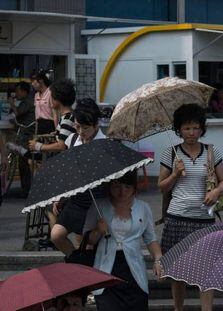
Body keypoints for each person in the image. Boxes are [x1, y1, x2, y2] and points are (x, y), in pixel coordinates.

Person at [158, 103, 223, 311]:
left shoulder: (211, 152)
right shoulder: (170, 153)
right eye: (186, 128)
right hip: (177, 218)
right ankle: (178, 309)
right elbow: (162, 187)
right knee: (177, 272)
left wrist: (215, 192)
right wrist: (175, 174)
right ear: (178, 129)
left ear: (202, 129)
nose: (191, 132)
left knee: (206, 271)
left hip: (204, 219)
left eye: (195, 127)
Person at [87, 171, 162, 311]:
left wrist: (158, 259)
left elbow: (151, 238)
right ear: (109, 186)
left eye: (127, 187)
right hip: (106, 267)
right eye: (117, 186)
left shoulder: (143, 207)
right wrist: (98, 230)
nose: (122, 192)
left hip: (133, 267)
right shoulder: (99, 206)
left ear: (134, 187)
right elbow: (89, 240)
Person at [50, 98, 106, 255]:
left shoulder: (105, 144)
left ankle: (85, 268)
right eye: (77, 126)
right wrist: (60, 197)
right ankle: (76, 262)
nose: (81, 132)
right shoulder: (73, 139)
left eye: (86, 128)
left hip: (96, 199)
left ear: (96, 125)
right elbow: (67, 171)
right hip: (75, 198)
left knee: (87, 243)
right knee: (57, 235)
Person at [28, 79, 76, 153]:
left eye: (51, 96)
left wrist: (38, 146)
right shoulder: (67, 117)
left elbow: (61, 145)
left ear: (58, 99)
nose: (49, 99)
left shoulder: (67, 119)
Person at [7, 81, 35, 196]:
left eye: (18, 91)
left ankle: (26, 188)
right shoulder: (25, 102)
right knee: (22, 162)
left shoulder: (28, 102)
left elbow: (17, 113)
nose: (16, 94)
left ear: (24, 91)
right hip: (23, 134)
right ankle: (25, 188)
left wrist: (12, 103)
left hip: (27, 136)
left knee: (24, 162)